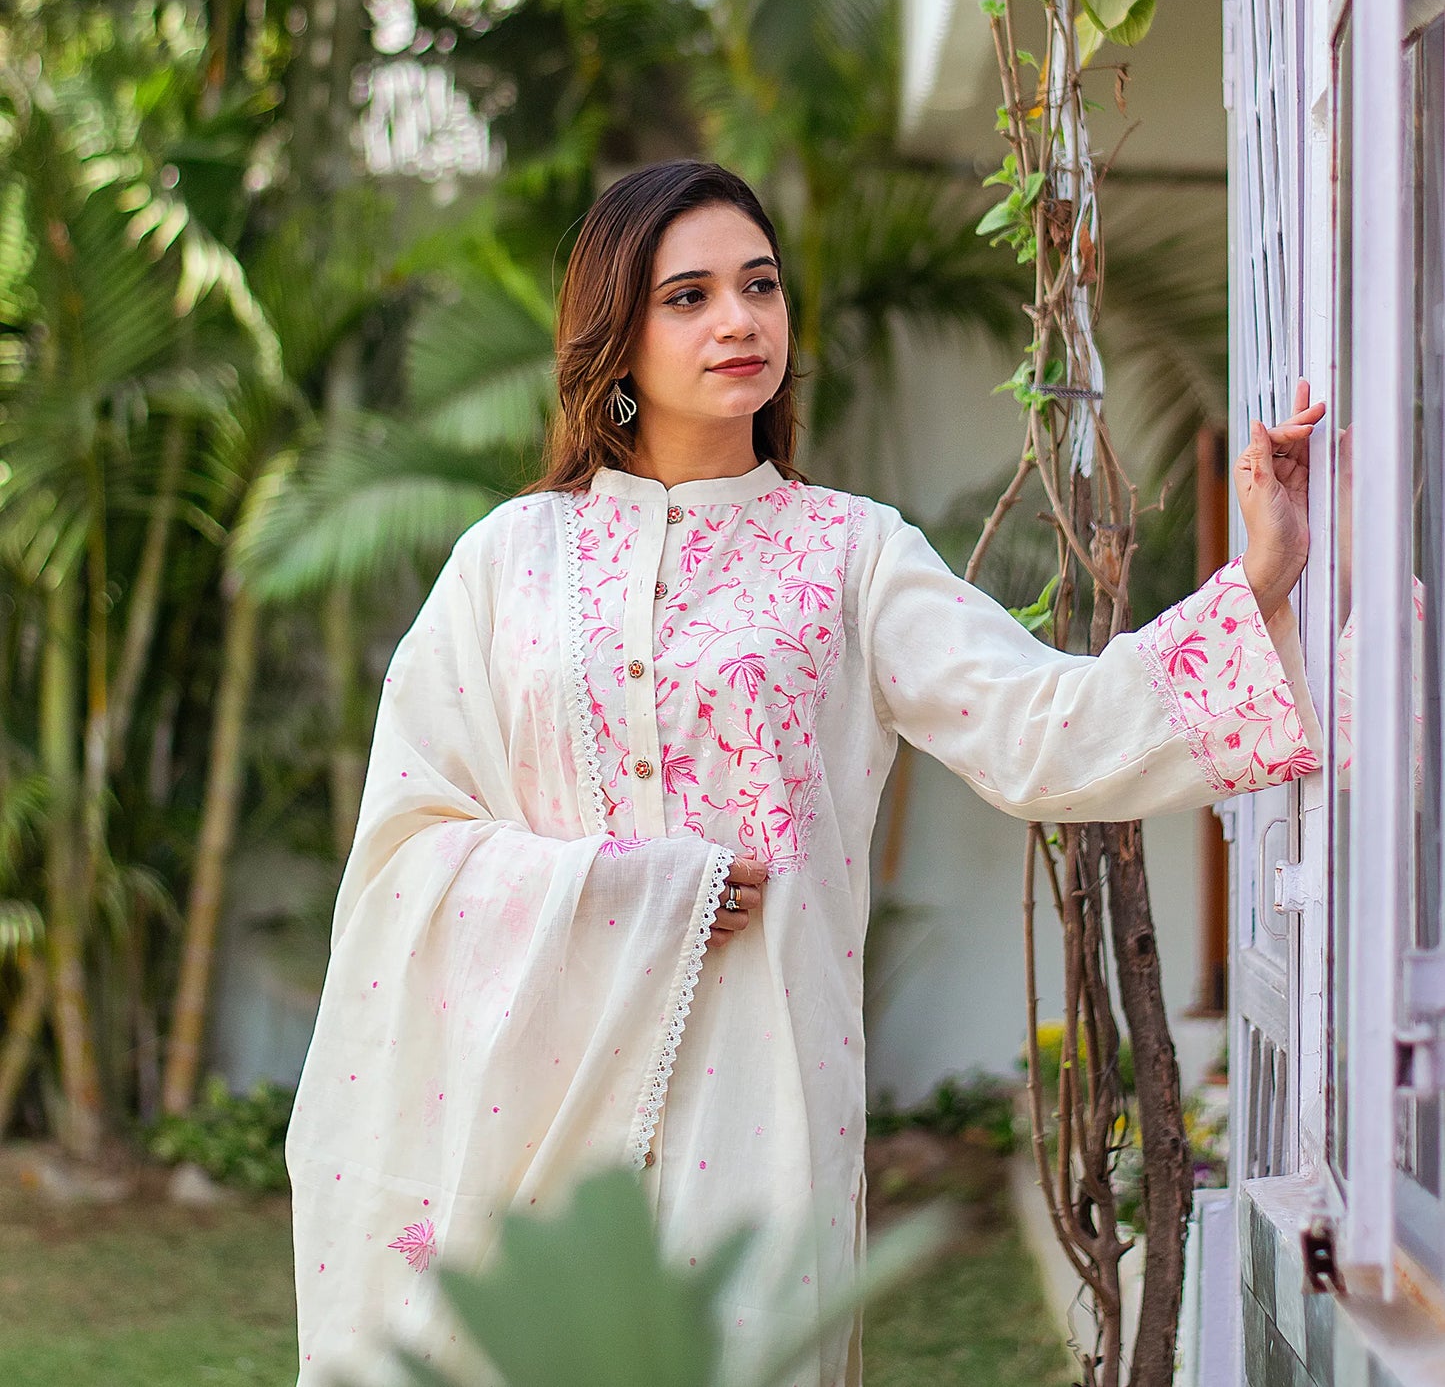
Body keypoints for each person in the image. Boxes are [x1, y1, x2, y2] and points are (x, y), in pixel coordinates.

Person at [286, 160, 1324, 1387]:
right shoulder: (506, 561)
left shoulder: (847, 554)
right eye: (688, 296)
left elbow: (1040, 724)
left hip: (757, 1098)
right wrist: (634, 887)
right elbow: (409, 840)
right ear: (611, 336)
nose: (738, 320)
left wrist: (1255, 582)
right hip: (530, 1113)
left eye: (759, 285)